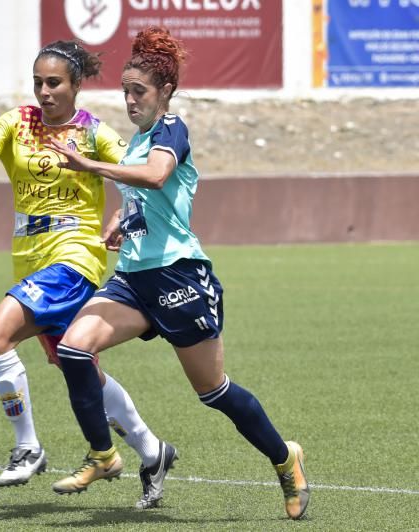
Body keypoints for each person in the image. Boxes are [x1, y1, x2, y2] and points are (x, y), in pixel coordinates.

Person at [44, 27, 310, 519]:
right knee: (74, 349)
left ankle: (284, 458)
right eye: (125, 90)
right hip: (133, 280)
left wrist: (90, 166)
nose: (129, 99)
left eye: (138, 90)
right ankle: (104, 456)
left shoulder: (172, 130)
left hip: (178, 279)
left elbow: (159, 176)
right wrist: (121, 222)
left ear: (165, 92)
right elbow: (145, 195)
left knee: (214, 392)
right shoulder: (136, 143)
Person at [0, 40, 177, 508]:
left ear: (76, 86)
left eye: (54, 83)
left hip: (74, 260)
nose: (44, 91)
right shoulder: (17, 122)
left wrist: (122, 214)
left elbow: (132, 173)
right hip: (31, 260)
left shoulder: (94, 132)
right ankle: (152, 450)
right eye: (38, 83)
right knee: (75, 366)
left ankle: (28, 447)